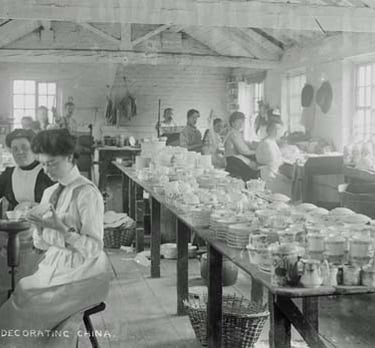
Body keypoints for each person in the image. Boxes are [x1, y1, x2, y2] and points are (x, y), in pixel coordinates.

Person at [0, 129, 111, 347]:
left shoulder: (87, 193)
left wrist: (61, 229)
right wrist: (39, 228)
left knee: (29, 307)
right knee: (22, 293)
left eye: (51, 163)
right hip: (56, 264)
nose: (46, 170)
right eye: (42, 164)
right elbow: (40, 244)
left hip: (86, 272)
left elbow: (93, 249)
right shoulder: (50, 192)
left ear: (69, 157)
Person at [0, 129, 54, 210]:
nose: (20, 152)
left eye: (24, 147)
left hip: (45, 220)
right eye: (15, 149)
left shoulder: (48, 172)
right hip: (15, 222)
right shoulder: (8, 175)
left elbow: (61, 205)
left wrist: (35, 206)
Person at [256, 119, 290, 196]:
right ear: (269, 129)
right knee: (292, 186)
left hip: (270, 172)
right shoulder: (267, 143)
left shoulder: (271, 141)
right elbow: (272, 164)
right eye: (275, 129)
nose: (277, 131)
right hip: (268, 175)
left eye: (279, 129)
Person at [224, 111, 259, 181]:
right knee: (254, 173)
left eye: (242, 122)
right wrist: (257, 152)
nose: (241, 124)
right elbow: (243, 151)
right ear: (232, 123)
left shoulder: (235, 132)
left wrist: (254, 145)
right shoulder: (234, 134)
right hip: (233, 161)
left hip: (234, 159)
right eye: (238, 122)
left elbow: (245, 144)